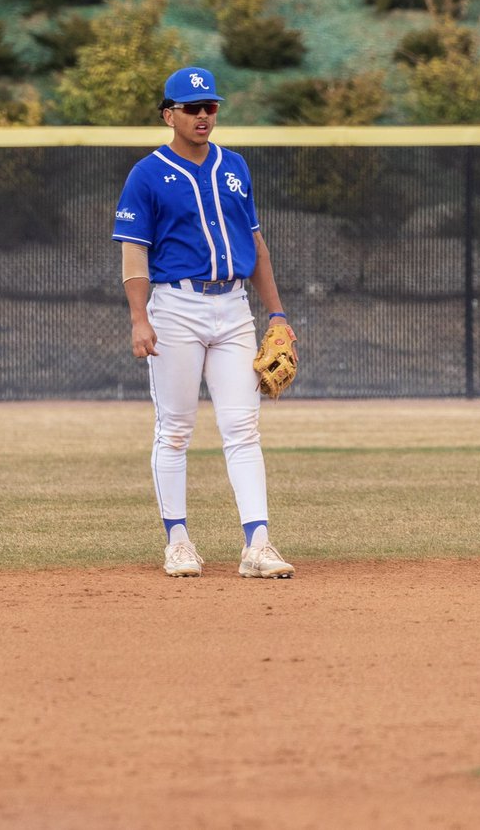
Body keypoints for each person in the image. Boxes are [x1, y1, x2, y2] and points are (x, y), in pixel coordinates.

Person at [112, 65, 296, 579]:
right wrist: (138, 318)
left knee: (243, 427)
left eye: (210, 106)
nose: (202, 115)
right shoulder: (146, 173)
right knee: (175, 429)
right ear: (169, 114)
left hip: (233, 306)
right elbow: (134, 252)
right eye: (191, 108)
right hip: (175, 307)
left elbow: (255, 244)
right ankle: (178, 541)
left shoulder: (235, 165)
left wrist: (276, 311)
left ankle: (257, 545)